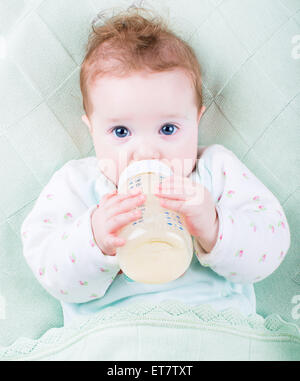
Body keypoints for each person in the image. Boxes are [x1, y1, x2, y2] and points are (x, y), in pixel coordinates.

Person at [21, 6, 290, 325]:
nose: (146, 153)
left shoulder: (214, 172)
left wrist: (215, 225)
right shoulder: (77, 184)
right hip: (112, 339)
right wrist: (94, 237)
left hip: (214, 332)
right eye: (121, 132)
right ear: (91, 129)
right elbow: (50, 271)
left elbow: (271, 248)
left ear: (197, 120)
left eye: (168, 129)